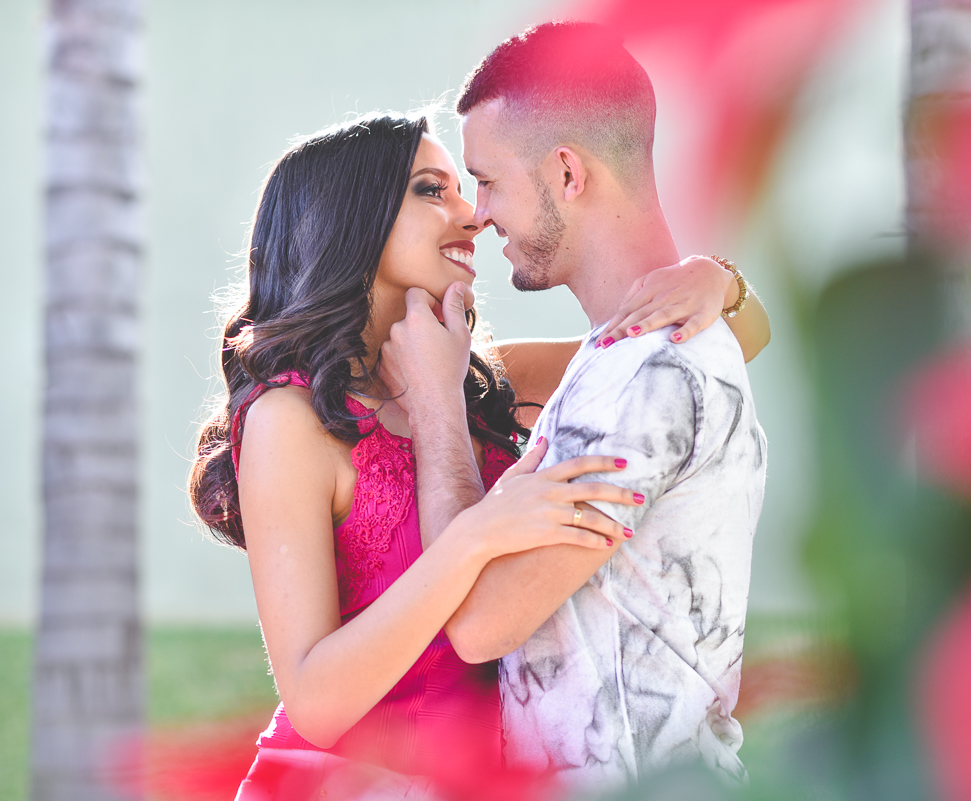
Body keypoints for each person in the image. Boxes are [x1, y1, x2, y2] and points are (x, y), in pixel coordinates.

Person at [188, 112, 769, 799]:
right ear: (354, 220)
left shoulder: (484, 380)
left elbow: (702, 348)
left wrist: (715, 280)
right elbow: (314, 699)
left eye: (465, 189)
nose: (472, 215)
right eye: (433, 190)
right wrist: (475, 536)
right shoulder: (290, 418)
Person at [382, 21, 770, 792]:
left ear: (566, 173)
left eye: (487, 179)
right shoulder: (622, 354)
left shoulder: (646, 372)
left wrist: (435, 409)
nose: (479, 212)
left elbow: (479, 621)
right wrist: (720, 279)